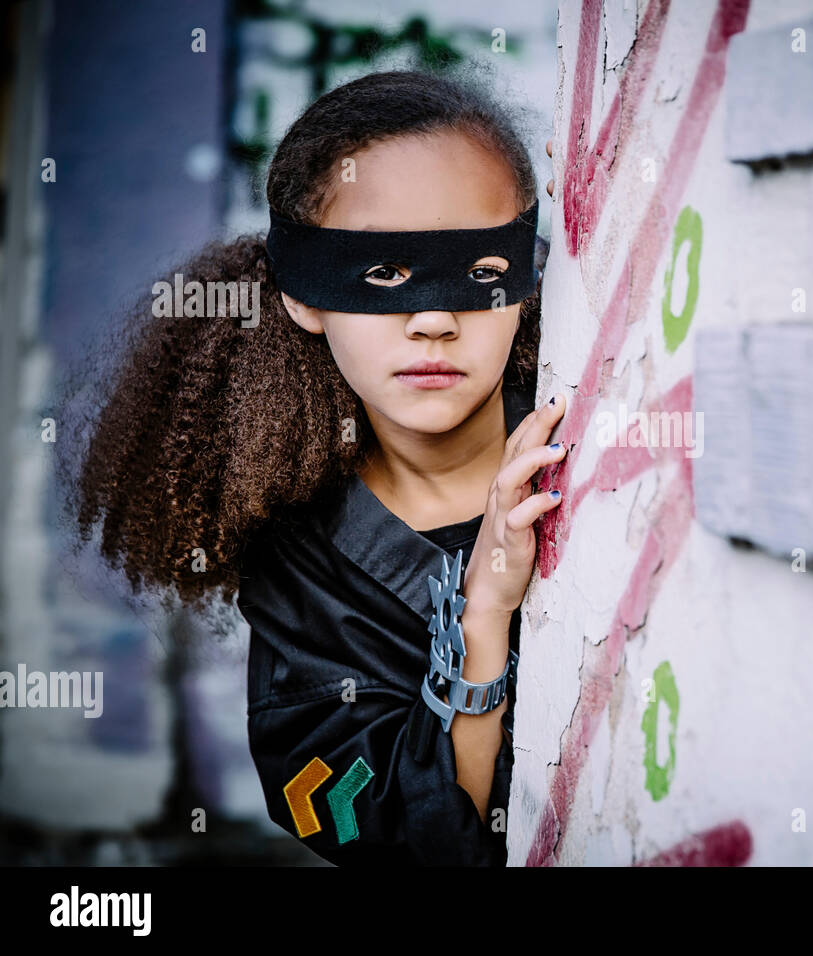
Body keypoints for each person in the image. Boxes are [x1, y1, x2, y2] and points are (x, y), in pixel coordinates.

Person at [68, 69, 565, 865]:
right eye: (383, 273)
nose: (434, 321)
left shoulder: (605, 444)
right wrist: (483, 619)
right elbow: (390, 835)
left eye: (478, 271)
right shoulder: (304, 561)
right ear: (303, 292)